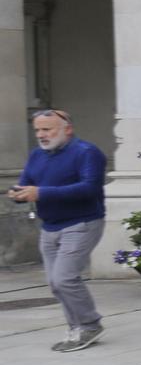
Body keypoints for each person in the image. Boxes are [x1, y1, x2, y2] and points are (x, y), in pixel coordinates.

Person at [10, 109, 108, 352]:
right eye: (38, 130)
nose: (41, 135)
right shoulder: (37, 155)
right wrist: (18, 194)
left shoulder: (86, 152)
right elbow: (26, 183)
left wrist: (40, 193)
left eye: (47, 129)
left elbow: (90, 188)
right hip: (50, 226)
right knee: (56, 283)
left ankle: (89, 324)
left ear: (67, 129)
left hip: (82, 223)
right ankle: (77, 327)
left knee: (65, 278)